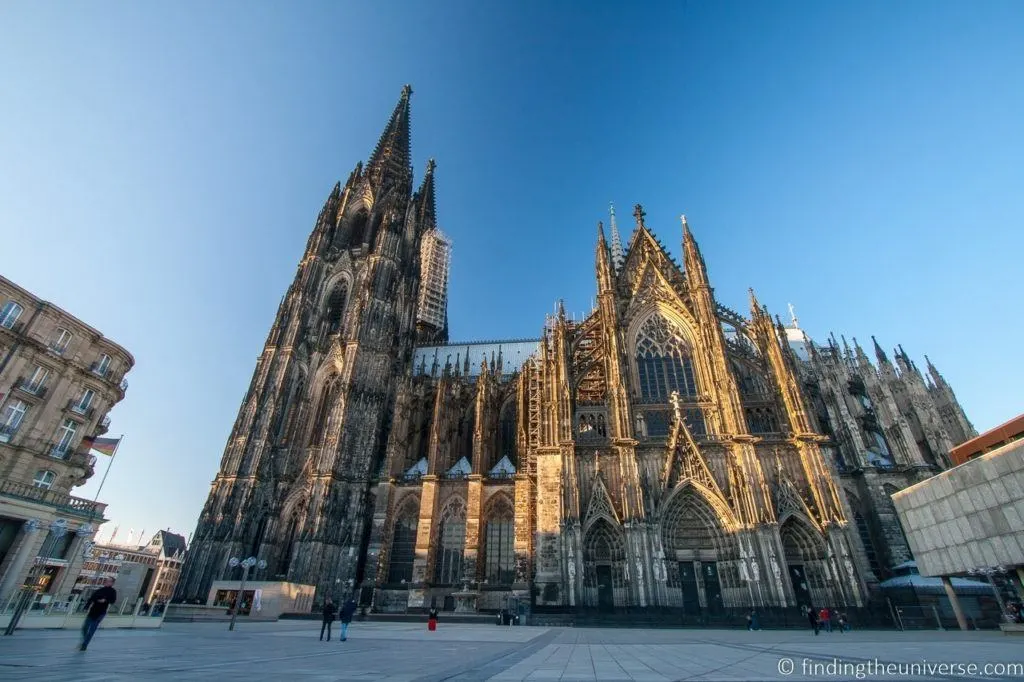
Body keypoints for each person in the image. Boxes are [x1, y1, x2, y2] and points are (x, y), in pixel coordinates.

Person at [80, 578, 117, 651]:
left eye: (108, 581)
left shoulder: (113, 591)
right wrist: (86, 606)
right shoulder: (100, 590)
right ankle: (85, 640)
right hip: (92, 611)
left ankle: (84, 645)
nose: (106, 582)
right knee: (85, 627)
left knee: (92, 629)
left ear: (112, 583)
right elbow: (92, 598)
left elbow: (113, 601)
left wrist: (105, 600)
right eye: (106, 581)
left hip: (101, 612)